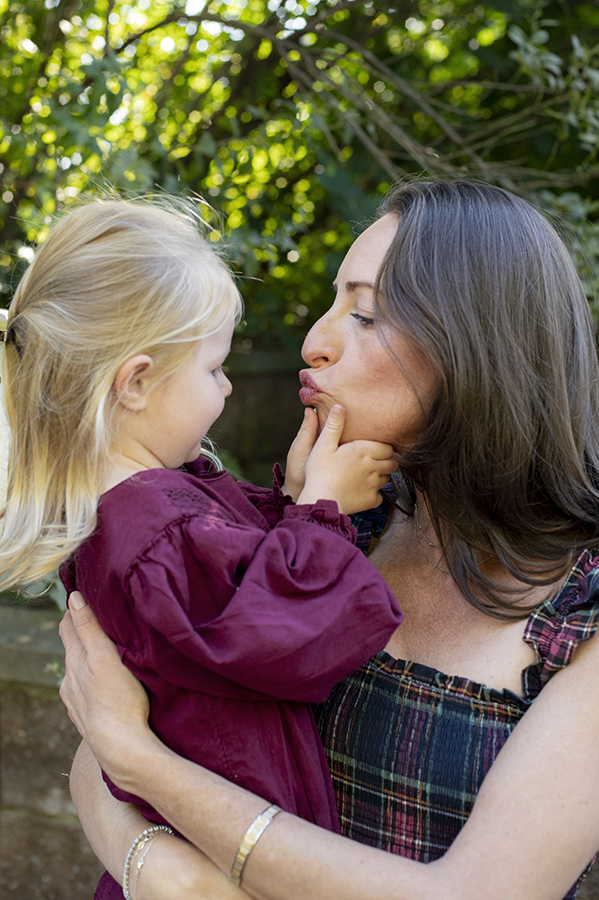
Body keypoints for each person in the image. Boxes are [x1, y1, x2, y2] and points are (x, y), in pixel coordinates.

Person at [58, 180, 599, 900]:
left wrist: (144, 768)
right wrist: (152, 860)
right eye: (333, 301)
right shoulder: (334, 522)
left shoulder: (580, 611)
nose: (316, 340)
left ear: (477, 348)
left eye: (366, 313)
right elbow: (101, 725)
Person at [0, 198, 403, 898]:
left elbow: (237, 584)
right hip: (224, 854)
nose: (225, 389)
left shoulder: (137, 509)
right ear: (136, 382)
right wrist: (317, 511)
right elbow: (278, 638)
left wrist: (299, 497)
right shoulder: (154, 527)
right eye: (215, 369)